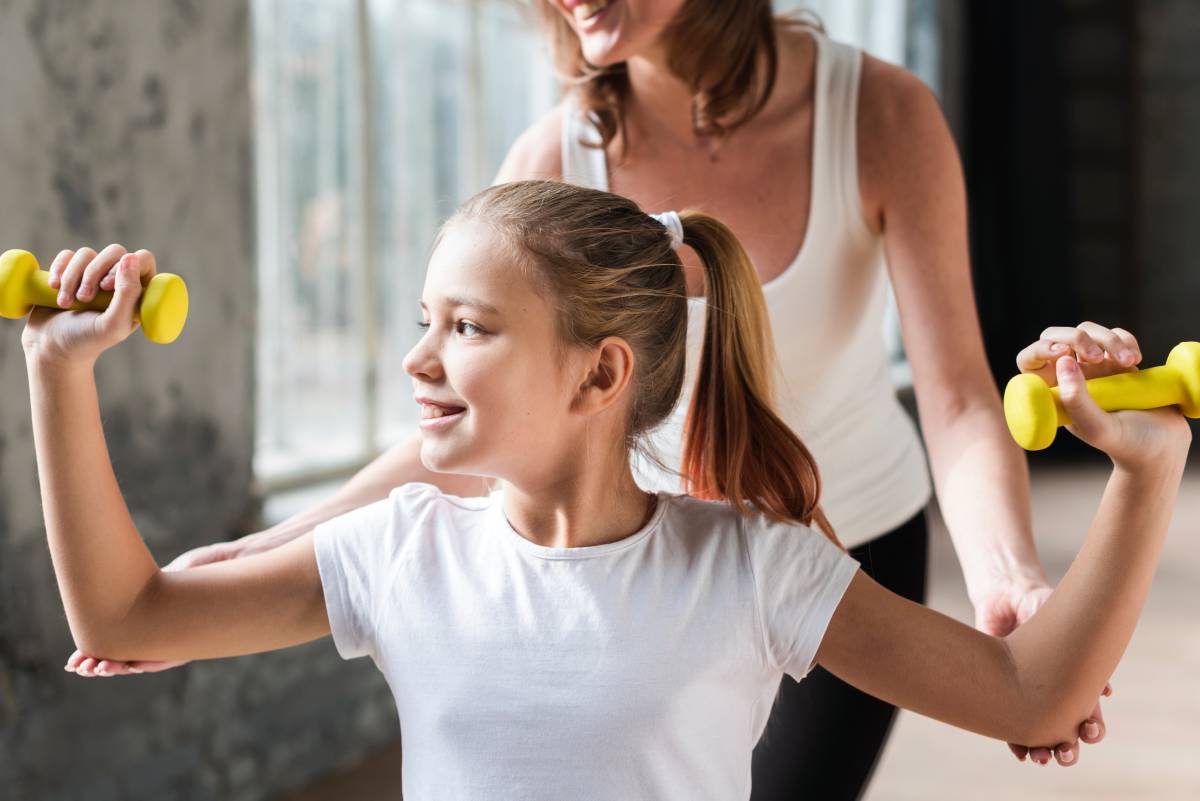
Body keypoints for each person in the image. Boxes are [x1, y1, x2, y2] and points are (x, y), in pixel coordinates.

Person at [55, 0, 1124, 792]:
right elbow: (476, 414)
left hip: (839, 541)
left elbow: (956, 396)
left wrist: (1011, 584)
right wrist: (265, 550)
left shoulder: (878, 114)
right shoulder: (553, 166)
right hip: (647, 533)